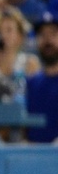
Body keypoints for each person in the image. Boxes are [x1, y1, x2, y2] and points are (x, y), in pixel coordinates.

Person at [26, 10, 58, 143]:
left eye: (53, 34)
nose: (47, 39)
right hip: (33, 156)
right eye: (42, 34)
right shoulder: (31, 82)